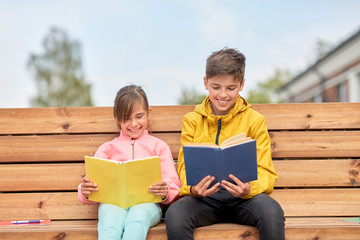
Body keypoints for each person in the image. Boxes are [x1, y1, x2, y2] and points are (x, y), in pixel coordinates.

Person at [165, 48, 285, 240]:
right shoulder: (192, 120)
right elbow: (184, 166)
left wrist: (249, 189)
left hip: (244, 198)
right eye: (216, 87)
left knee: (271, 212)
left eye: (231, 88)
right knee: (176, 214)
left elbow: (266, 171)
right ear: (205, 82)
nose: (223, 95)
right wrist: (194, 189)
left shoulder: (255, 120)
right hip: (204, 199)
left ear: (242, 84)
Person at [78, 84, 182, 240]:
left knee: (136, 219)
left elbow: (174, 186)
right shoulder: (107, 149)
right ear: (118, 118)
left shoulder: (159, 147)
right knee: (109, 223)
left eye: (139, 116)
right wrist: (85, 190)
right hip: (113, 204)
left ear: (148, 113)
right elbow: (91, 185)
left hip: (147, 205)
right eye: (127, 119)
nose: (134, 124)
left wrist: (166, 191)